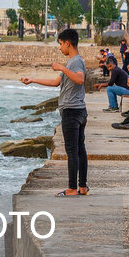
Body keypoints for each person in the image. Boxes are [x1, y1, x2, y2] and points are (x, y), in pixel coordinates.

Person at [21, 28, 88, 197]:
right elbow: (55, 82)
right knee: (79, 149)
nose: (59, 48)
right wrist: (33, 80)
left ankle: (72, 188)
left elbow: (80, 80)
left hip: (72, 112)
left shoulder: (75, 62)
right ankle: (82, 187)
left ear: (67, 43)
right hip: (78, 110)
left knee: (73, 151)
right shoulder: (72, 63)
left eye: (60, 44)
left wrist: (62, 68)